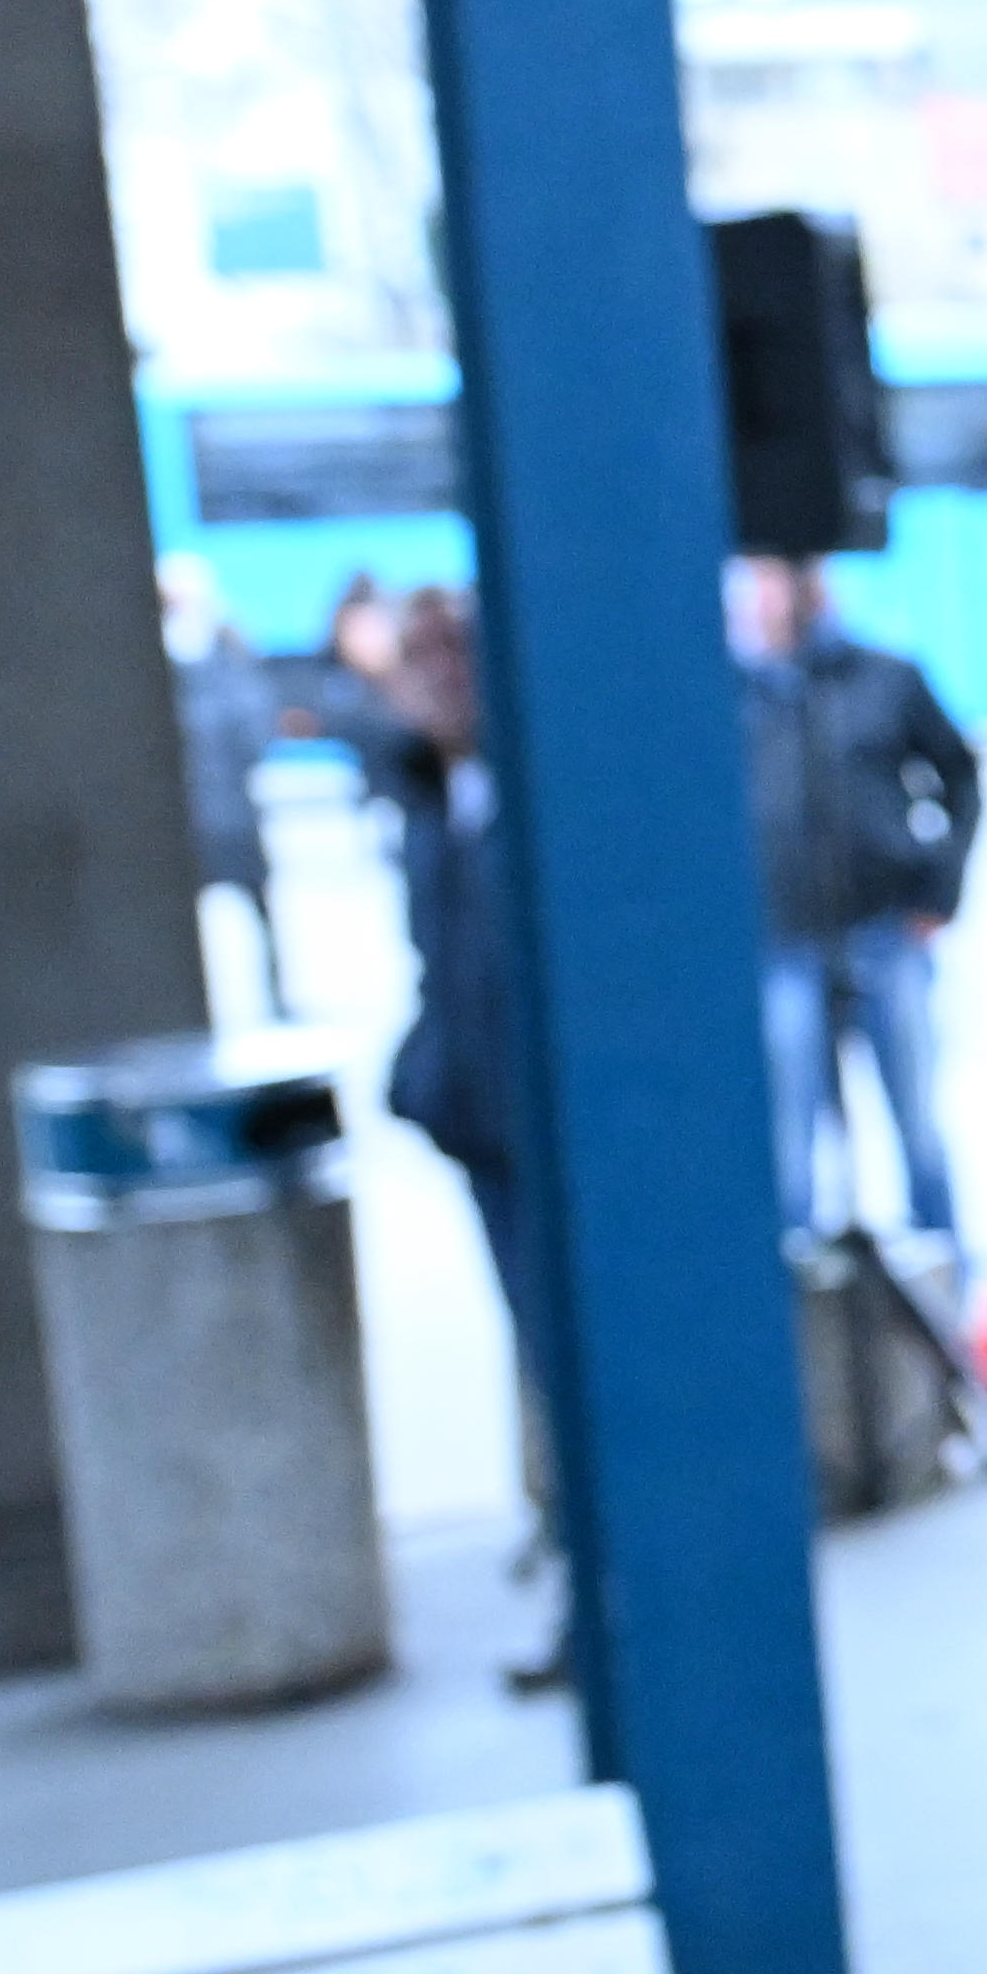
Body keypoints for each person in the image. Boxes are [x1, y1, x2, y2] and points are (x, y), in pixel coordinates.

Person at [365, 585, 565, 1694]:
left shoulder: (533, 791)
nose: (441, 677)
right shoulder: (427, 797)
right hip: (483, 1130)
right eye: (420, 656)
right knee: (538, 1358)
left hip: (548, 1136)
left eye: (460, 652)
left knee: (576, 1366)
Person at [731, 553, 981, 1246]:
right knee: (788, 1135)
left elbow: (961, 779)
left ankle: (944, 1273)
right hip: (782, 943)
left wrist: (940, 890)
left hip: (885, 932)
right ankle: (796, 1285)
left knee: (918, 1125)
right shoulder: (734, 691)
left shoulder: (887, 679)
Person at [168, 560, 288, 1027]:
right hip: (189, 815)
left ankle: (274, 998)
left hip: (232, 811)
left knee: (259, 910)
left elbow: (255, 727)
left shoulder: (227, 652)